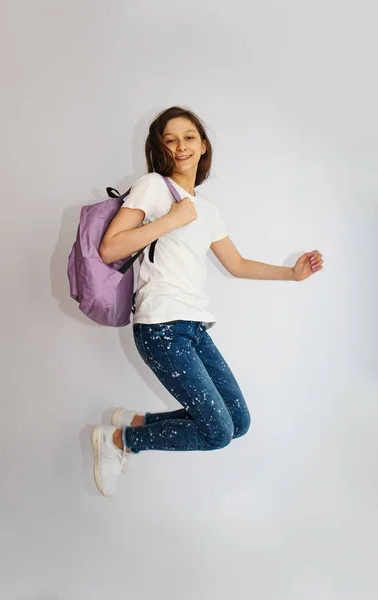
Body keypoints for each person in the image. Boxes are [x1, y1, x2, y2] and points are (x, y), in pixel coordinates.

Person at [91, 106, 324, 497]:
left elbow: (236, 264)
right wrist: (169, 220)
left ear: (203, 145)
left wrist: (292, 274)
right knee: (216, 432)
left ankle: (137, 421)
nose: (180, 146)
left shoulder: (208, 209)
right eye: (170, 139)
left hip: (194, 327)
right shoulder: (153, 186)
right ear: (160, 149)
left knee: (238, 421)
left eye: (188, 137)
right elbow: (109, 247)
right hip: (161, 326)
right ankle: (118, 440)